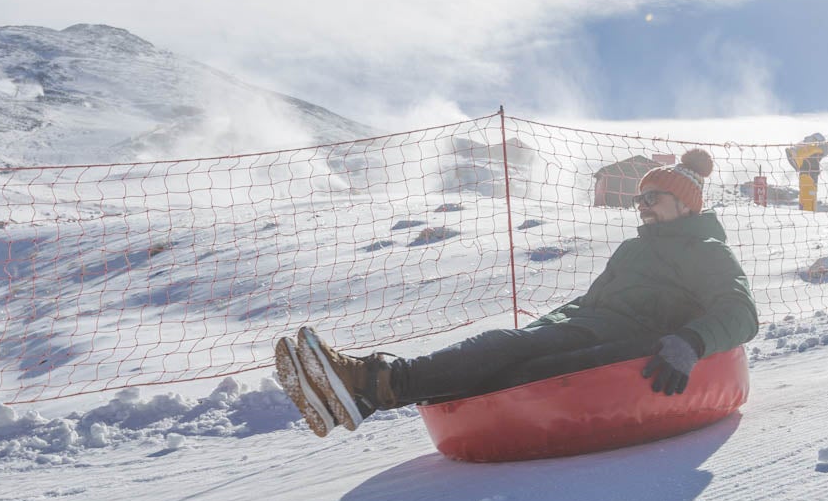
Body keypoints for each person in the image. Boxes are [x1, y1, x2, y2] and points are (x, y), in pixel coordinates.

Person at [273, 148, 759, 437]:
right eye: (639, 199)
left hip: (637, 340)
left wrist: (691, 342)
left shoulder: (707, 250)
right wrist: (543, 327)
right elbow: (588, 305)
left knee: (516, 358)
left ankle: (372, 383)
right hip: (590, 327)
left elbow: (741, 312)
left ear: (684, 202)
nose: (642, 207)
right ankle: (359, 397)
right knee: (506, 347)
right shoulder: (634, 251)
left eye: (652, 198)